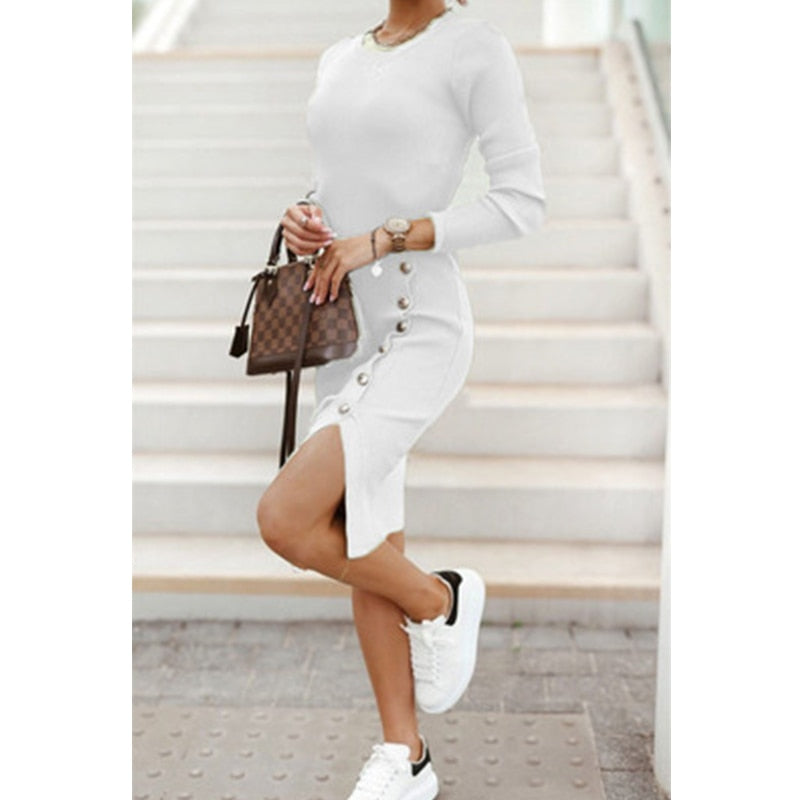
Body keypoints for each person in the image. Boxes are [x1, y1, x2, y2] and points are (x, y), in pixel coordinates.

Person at [257, 1, 545, 797]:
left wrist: (386, 236)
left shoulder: (474, 49)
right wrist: (306, 215)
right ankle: (405, 756)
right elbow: (345, 181)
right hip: (346, 332)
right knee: (366, 533)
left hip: (421, 324)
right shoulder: (341, 56)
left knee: (286, 518)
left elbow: (522, 202)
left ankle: (438, 599)